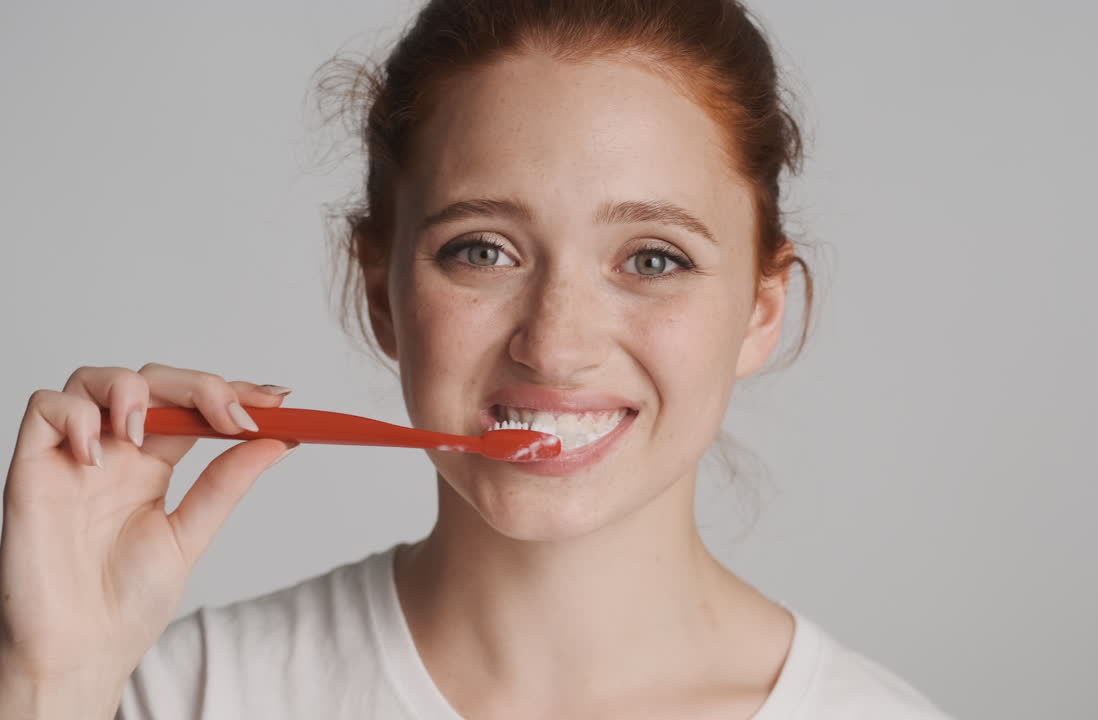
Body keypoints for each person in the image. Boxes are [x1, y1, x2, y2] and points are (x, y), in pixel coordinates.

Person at [0, 1, 954, 717]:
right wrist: (51, 684)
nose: (557, 345)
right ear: (382, 295)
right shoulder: (184, 695)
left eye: (654, 260)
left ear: (759, 312)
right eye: (483, 250)